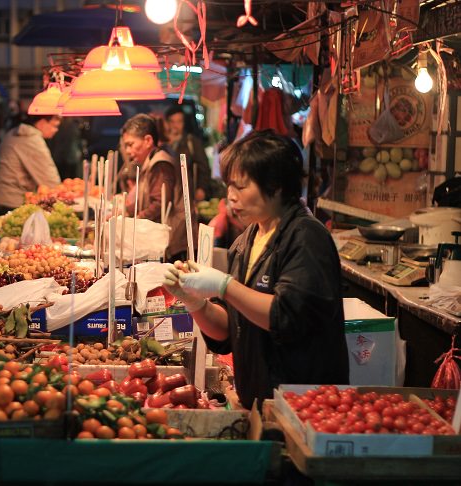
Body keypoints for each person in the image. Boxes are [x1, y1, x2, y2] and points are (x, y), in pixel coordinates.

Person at [162, 130, 349, 408]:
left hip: (305, 407)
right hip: (259, 402)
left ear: (275, 186)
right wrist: (194, 302)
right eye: (229, 186)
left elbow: (285, 317)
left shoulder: (307, 238)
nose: (231, 197)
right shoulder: (247, 240)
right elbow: (228, 331)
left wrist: (226, 286)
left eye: (241, 186)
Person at [121, 114, 194, 262]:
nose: (127, 151)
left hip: (174, 245)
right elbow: (146, 198)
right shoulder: (150, 162)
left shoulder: (160, 164)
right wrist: (126, 211)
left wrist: (134, 220)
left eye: (130, 144)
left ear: (148, 140)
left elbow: (160, 204)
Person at [0, 114, 61, 215]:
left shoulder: (15, 132)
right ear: (42, 122)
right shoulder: (32, 139)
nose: (56, 130)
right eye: (54, 125)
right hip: (10, 201)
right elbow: (51, 181)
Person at [164, 105, 213, 202]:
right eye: (172, 121)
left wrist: (202, 188)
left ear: (183, 123)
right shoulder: (162, 143)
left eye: (179, 121)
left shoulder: (192, 142)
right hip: (167, 194)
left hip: (187, 194)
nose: (175, 125)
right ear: (167, 123)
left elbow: (203, 166)